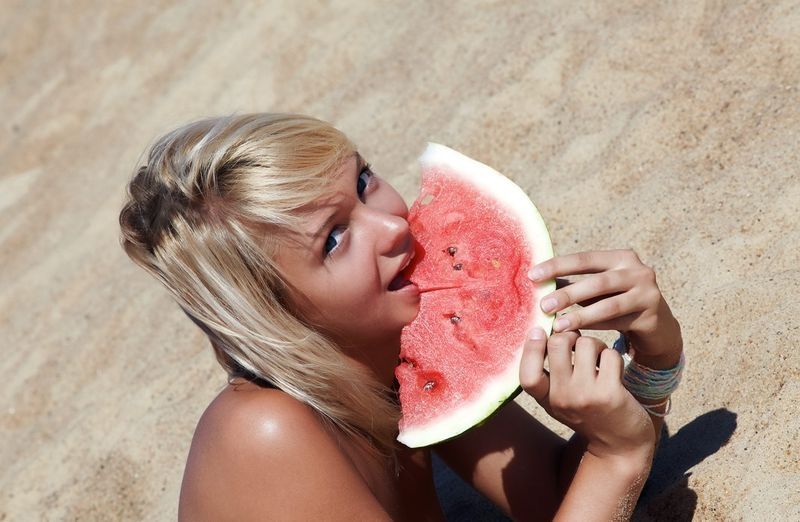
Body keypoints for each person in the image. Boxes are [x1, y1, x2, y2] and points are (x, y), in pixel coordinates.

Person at [119, 113, 684, 521]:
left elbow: (559, 497)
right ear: (276, 314)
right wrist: (617, 456)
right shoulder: (265, 436)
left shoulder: (401, 361)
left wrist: (652, 362)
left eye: (364, 182)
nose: (392, 226)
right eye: (335, 239)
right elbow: (607, 477)